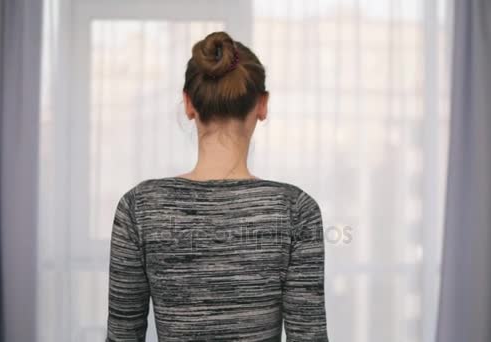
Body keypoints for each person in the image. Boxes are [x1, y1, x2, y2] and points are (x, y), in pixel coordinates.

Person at [106, 31, 329, 342]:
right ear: (262, 105)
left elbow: (122, 337)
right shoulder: (296, 210)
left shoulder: (139, 207)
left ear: (188, 103)